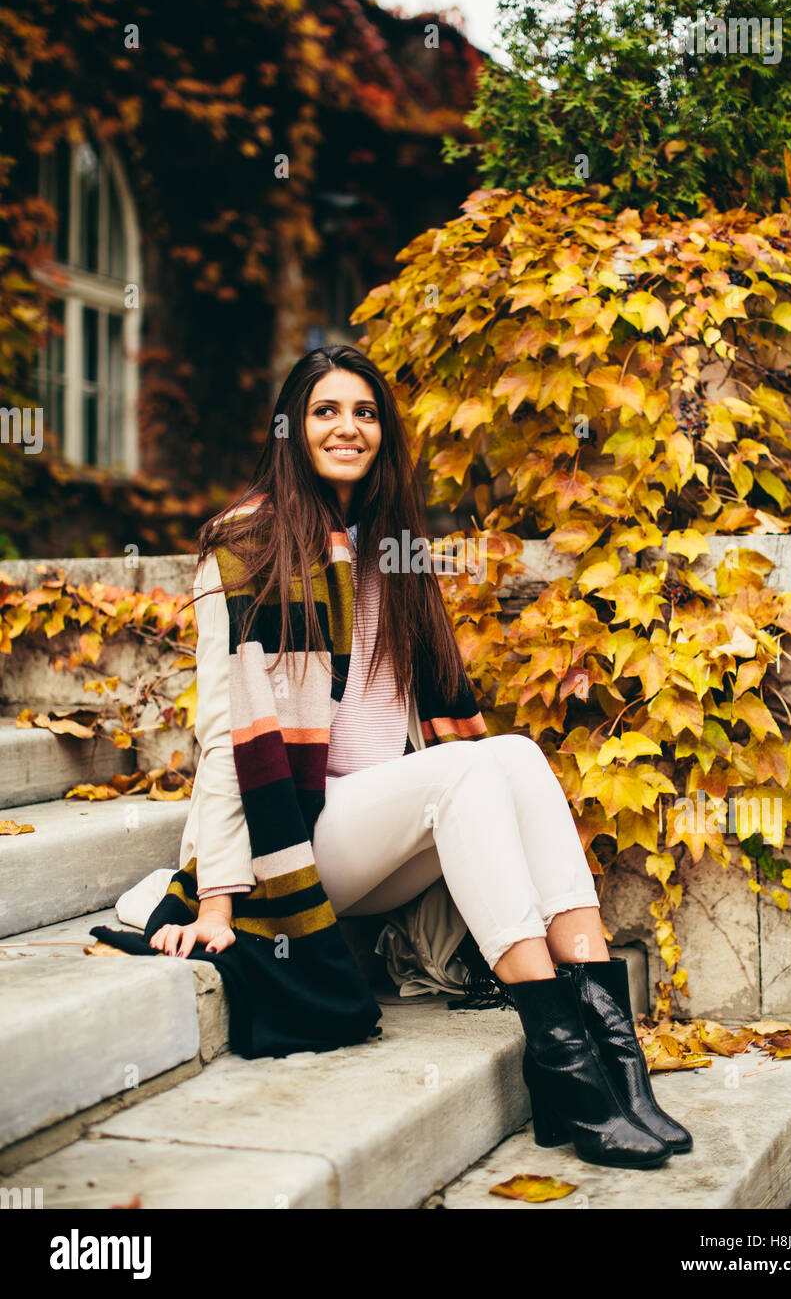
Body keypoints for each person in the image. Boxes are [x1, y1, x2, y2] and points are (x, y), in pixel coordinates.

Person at [147, 343, 692, 1169]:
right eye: (325, 411)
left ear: (383, 434)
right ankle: (565, 1064)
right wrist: (217, 900)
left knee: (510, 755)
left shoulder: (394, 549)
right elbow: (227, 736)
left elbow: (435, 719)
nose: (347, 428)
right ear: (293, 428)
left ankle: (617, 1064)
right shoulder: (245, 545)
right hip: (297, 843)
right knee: (472, 768)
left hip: (384, 833)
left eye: (364, 413)